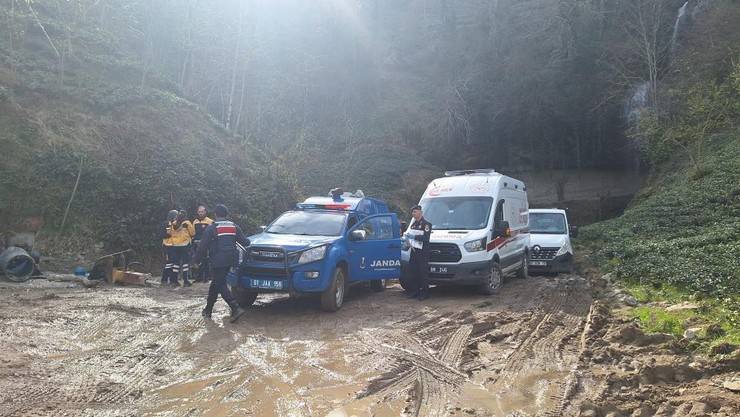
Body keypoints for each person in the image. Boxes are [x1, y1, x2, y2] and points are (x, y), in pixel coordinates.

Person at [193, 204, 249, 322]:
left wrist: (196, 260)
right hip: (231, 260)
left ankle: (235, 307)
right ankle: (208, 310)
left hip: (218, 261)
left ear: (215, 214)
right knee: (216, 283)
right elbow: (245, 242)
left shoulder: (212, 228)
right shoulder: (234, 226)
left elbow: (202, 247)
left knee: (220, 283)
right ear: (226, 214)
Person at [161, 209, 195, 287]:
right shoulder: (185, 223)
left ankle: (173, 280)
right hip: (175, 245)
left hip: (174, 246)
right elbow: (193, 233)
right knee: (181, 263)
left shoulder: (173, 224)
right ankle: (182, 280)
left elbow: (171, 233)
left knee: (174, 263)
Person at [405, 205, 432, 300]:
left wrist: (414, 237)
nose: (413, 214)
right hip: (414, 251)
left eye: (415, 212)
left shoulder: (426, 224)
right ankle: (415, 291)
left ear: (420, 212)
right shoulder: (413, 225)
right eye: (412, 212)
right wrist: (408, 239)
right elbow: (411, 237)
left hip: (422, 252)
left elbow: (425, 238)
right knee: (413, 272)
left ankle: (425, 292)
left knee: (423, 273)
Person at [192, 205, 214, 282]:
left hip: (206, 244)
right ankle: (198, 277)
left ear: (205, 212)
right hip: (197, 244)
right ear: (197, 212)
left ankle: (207, 277)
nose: (200, 213)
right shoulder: (195, 222)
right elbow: (193, 233)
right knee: (197, 260)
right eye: (199, 212)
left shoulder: (210, 221)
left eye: (202, 212)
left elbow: (212, 234)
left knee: (206, 261)